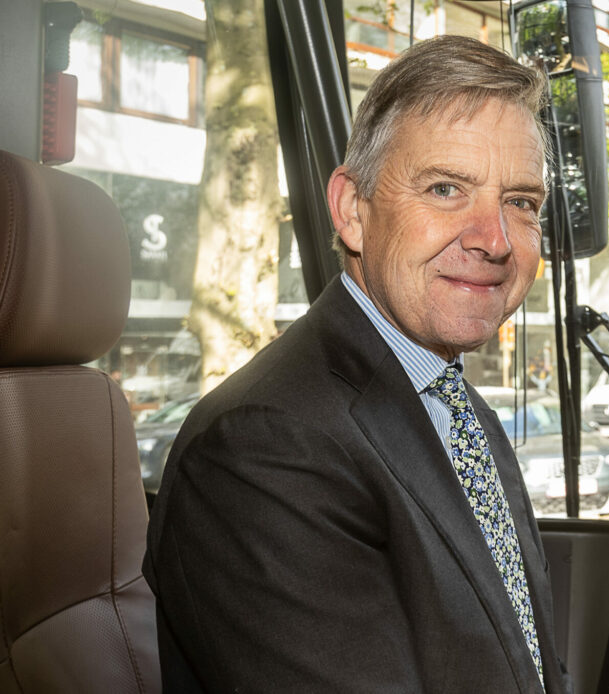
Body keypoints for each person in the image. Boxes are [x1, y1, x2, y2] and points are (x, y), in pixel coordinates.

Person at [144, 35, 570, 693]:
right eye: (446, 188)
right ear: (352, 211)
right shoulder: (266, 447)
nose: (495, 240)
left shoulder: (456, 407)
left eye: (521, 202)